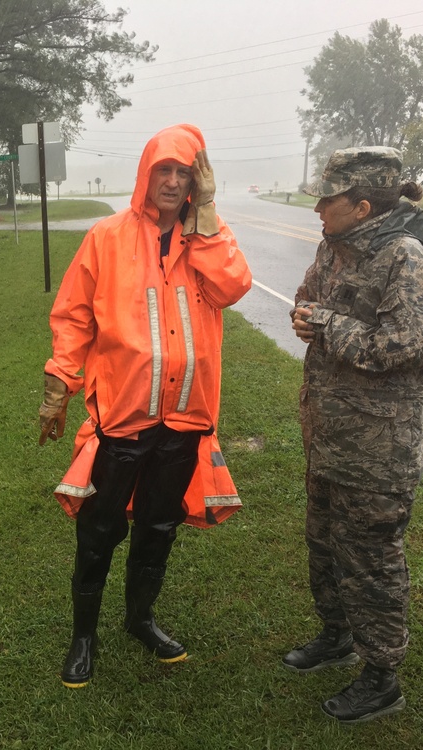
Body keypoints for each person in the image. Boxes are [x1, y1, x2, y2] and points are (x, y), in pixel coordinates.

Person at [38, 123, 252, 688]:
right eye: (165, 170)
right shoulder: (106, 238)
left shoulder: (206, 238)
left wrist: (205, 217)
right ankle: (84, 635)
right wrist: (60, 381)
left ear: (196, 182)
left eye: (185, 173)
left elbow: (233, 287)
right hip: (124, 417)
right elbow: (74, 314)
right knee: (100, 528)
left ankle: (140, 618)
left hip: (185, 417)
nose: (173, 181)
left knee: (159, 525)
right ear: (146, 174)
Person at [285, 147, 423, 723]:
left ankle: (381, 674)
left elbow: (418, 343)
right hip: (330, 435)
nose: (317, 208)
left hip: (379, 449)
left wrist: (328, 325)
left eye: (327, 200)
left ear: (361, 207)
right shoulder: (333, 248)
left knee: (371, 560)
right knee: (324, 544)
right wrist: (306, 313)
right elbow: (310, 298)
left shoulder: (403, 256)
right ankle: (335, 636)